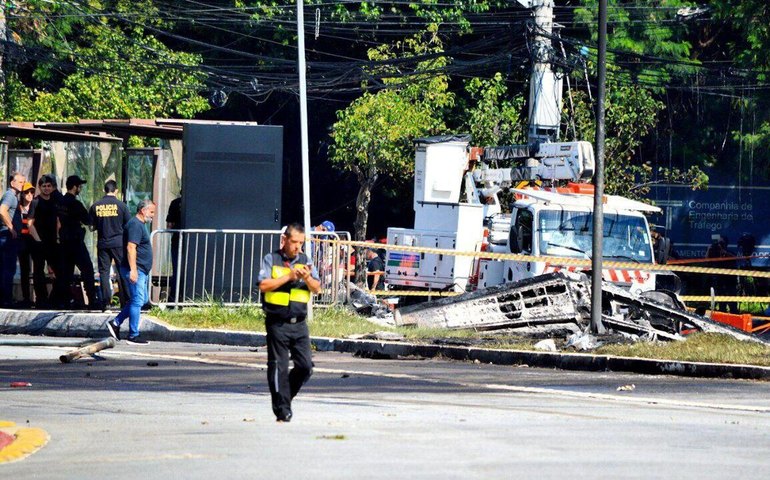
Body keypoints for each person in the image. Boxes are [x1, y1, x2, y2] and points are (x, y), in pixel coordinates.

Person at [258, 223, 321, 422]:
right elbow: (263, 285)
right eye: (294, 242)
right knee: (279, 366)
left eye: (301, 243)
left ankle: (285, 398)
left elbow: (317, 288)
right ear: (284, 240)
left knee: (305, 367)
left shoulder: (306, 261)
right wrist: (290, 276)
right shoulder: (272, 259)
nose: (297, 247)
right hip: (277, 322)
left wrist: (307, 278)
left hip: (299, 323)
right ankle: (282, 410)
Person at [105, 200, 156, 345]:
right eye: (151, 212)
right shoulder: (135, 225)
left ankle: (116, 323)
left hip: (140, 269)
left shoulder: (139, 225)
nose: (152, 216)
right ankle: (133, 335)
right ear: (142, 210)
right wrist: (133, 270)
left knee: (141, 299)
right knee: (138, 300)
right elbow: (131, 248)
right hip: (135, 269)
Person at [56, 175, 97, 309]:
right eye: (79, 186)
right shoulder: (75, 204)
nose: (80, 188)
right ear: (75, 187)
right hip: (75, 242)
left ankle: (64, 301)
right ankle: (92, 300)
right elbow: (87, 220)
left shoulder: (60, 202)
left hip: (63, 242)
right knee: (87, 269)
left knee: (65, 273)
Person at [89, 180, 131, 310]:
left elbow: (91, 227)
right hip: (118, 243)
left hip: (103, 244)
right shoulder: (122, 206)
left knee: (104, 272)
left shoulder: (96, 206)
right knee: (122, 271)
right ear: (116, 191)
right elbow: (128, 225)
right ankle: (126, 302)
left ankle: (106, 303)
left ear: (104, 190)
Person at [27, 175, 61, 307]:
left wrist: (58, 238)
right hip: (39, 242)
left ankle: (53, 298)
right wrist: (38, 241)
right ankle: (41, 299)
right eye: (44, 186)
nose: (46, 188)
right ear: (40, 187)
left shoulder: (54, 201)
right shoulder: (35, 202)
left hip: (52, 241)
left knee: (59, 270)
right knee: (38, 272)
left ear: (52, 187)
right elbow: (30, 224)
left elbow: (58, 221)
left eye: (49, 186)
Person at [0, 172, 26, 307]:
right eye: (20, 182)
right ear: (12, 183)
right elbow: (2, 210)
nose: (23, 185)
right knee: (7, 269)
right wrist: (11, 227)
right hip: (7, 236)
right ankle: (6, 300)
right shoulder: (10, 195)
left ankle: (5, 298)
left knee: (6, 268)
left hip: (9, 236)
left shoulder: (14, 196)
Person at [16, 182, 37, 307]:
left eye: (31, 192)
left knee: (38, 268)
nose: (29, 195)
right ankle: (26, 297)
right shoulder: (18, 208)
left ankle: (40, 296)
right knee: (24, 270)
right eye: (26, 192)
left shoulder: (35, 206)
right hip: (22, 241)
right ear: (22, 194)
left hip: (34, 240)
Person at [705, 234, 737, 313]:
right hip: (720, 280)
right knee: (722, 303)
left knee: (732, 303)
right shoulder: (715, 253)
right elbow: (707, 261)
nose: (719, 245)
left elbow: (735, 259)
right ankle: (722, 316)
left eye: (721, 243)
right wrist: (709, 250)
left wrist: (725, 252)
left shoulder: (730, 253)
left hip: (730, 281)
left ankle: (734, 316)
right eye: (718, 243)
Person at [165, 194, 182, 302]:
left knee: (177, 270)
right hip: (194, 241)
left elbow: (169, 225)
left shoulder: (175, 203)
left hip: (177, 240)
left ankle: (173, 299)